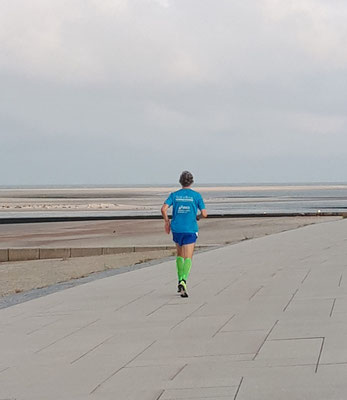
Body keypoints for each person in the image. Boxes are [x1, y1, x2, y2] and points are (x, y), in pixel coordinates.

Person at [161, 171, 207, 297]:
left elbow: (163, 209)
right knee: (189, 257)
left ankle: (179, 280)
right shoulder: (196, 196)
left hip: (177, 228)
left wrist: (167, 221)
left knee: (180, 254)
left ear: (180, 181)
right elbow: (204, 213)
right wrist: (197, 217)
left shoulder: (174, 195)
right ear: (191, 182)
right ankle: (183, 280)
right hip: (190, 228)